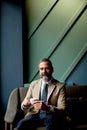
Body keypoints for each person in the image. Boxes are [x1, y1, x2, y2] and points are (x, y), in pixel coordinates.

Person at [16, 58, 66, 130]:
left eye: (47, 68)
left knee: (52, 123)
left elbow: (62, 109)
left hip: (50, 115)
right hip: (34, 114)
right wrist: (25, 104)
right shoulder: (33, 84)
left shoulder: (60, 86)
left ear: (52, 69)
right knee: (22, 124)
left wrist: (47, 108)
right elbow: (23, 106)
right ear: (39, 71)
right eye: (41, 69)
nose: (44, 71)